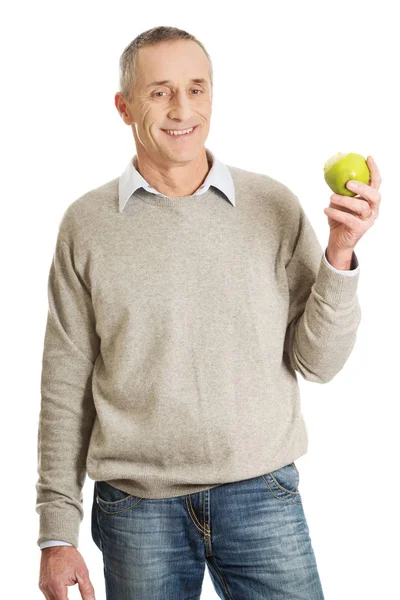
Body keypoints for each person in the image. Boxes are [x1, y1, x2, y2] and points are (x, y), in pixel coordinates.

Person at [36, 25, 381, 600]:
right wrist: (55, 532)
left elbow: (318, 363)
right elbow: (64, 382)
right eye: (160, 91)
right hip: (136, 507)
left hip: (262, 493)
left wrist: (340, 251)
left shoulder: (272, 205)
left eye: (197, 89)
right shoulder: (87, 224)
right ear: (124, 107)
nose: (182, 109)